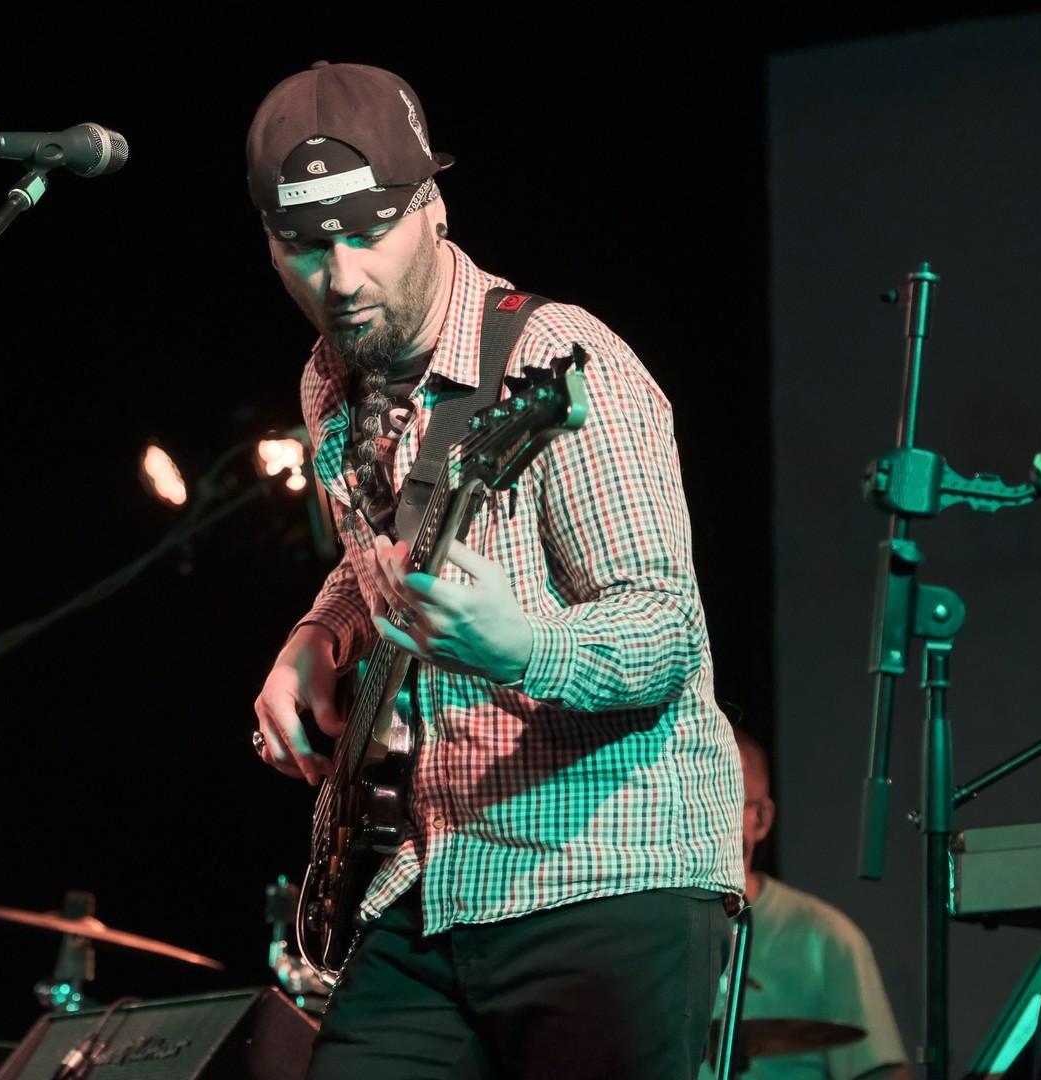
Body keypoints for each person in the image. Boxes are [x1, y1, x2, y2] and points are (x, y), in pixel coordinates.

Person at [247, 60, 745, 1079]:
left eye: (367, 234)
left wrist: (524, 647)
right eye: (306, 246)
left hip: (604, 870)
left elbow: (664, 627)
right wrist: (320, 633)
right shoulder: (331, 380)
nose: (341, 279)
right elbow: (378, 559)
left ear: (432, 208)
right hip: (433, 877)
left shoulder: (564, 361)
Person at [707, 728, 910, 1080]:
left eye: (723, 799)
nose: (704, 820)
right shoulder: (650, 934)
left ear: (761, 818)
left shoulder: (825, 936)